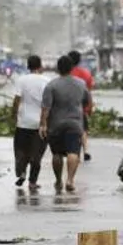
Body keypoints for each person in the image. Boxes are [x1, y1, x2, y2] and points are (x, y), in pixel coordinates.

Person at [39, 55, 92, 193]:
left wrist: (43, 124)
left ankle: (58, 180)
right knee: (73, 152)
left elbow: (46, 108)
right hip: (75, 124)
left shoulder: (51, 85)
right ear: (72, 68)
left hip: (55, 125)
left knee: (56, 154)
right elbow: (87, 102)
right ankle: (70, 180)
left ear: (58, 68)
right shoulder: (81, 84)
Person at [10, 54, 50, 191]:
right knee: (37, 154)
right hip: (40, 124)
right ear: (40, 66)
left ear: (28, 66)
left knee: (21, 150)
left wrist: (13, 115)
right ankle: (32, 182)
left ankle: (21, 172)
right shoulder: (46, 81)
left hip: (23, 123)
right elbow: (48, 103)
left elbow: (16, 100)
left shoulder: (21, 80)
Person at [67, 50, 95, 162]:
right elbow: (89, 91)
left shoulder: (66, 73)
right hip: (81, 104)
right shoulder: (86, 73)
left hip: (67, 104)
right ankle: (86, 150)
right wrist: (89, 107)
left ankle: (70, 150)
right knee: (83, 128)